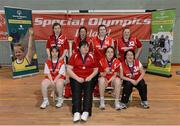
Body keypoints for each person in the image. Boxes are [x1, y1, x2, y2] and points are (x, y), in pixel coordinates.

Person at [67, 40, 98, 122]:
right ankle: (76, 112)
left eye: (87, 46)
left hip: (88, 77)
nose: (86, 48)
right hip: (76, 77)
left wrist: (90, 77)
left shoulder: (92, 55)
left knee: (88, 91)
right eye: (84, 46)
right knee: (76, 91)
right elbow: (69, 70)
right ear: (79, 48)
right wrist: (77, 78)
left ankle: (86, 111)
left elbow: (96, 69)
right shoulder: (74, 56)